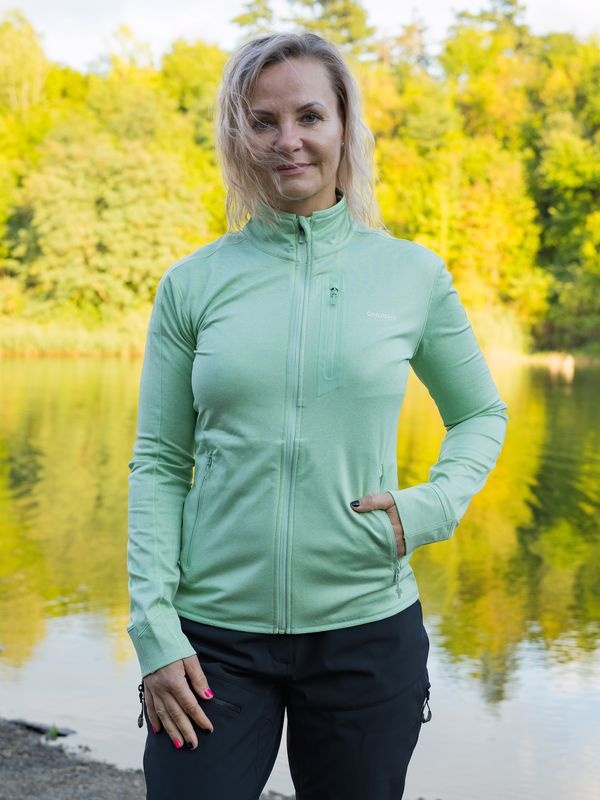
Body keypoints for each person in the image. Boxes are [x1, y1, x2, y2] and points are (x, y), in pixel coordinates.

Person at [127, 31, 508, 800]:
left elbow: (480, 413)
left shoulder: (410, 275)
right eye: (263, 121)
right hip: (213, 640)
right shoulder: (192, 284)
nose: (288, 140)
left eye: (309, 116)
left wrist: (431, 507)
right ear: (238, 135)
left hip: (366, 633)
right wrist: (155, 631)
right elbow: (160, 464)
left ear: (343, 126)